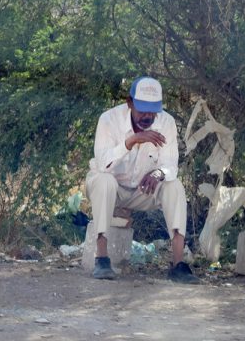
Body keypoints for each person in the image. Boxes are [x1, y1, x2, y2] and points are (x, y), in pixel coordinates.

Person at [85, 76, 199, 284]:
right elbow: (102, 164)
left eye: (152, 110)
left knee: (174, 186)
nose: (148, 116)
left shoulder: (166, 123)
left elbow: (170, 165)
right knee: (104, 180)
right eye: (142, 109)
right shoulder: (109, 120)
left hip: (143, 191)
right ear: (129, 103)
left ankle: (178, 264)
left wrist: (159, 173)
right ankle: (101, 259)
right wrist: (131, 141)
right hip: (111, 188)